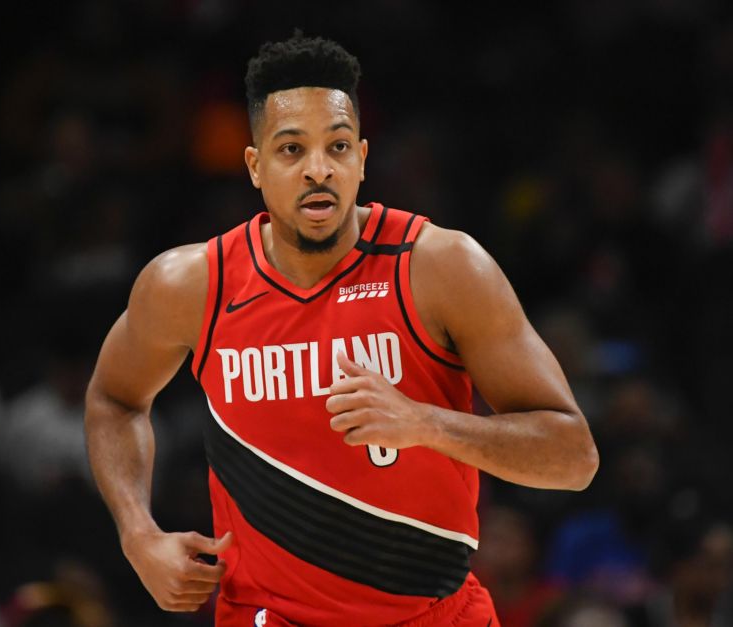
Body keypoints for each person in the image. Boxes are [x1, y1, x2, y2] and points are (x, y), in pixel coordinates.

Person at [84, 33, 599, 626]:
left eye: (338, 146)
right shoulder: (193, 285)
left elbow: (573, 456)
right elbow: (114, 399)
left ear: (362, 158)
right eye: (291, 149)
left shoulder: (440, 267)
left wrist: (426, 423)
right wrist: (138, 534)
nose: (318, 169)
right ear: (255, 166)